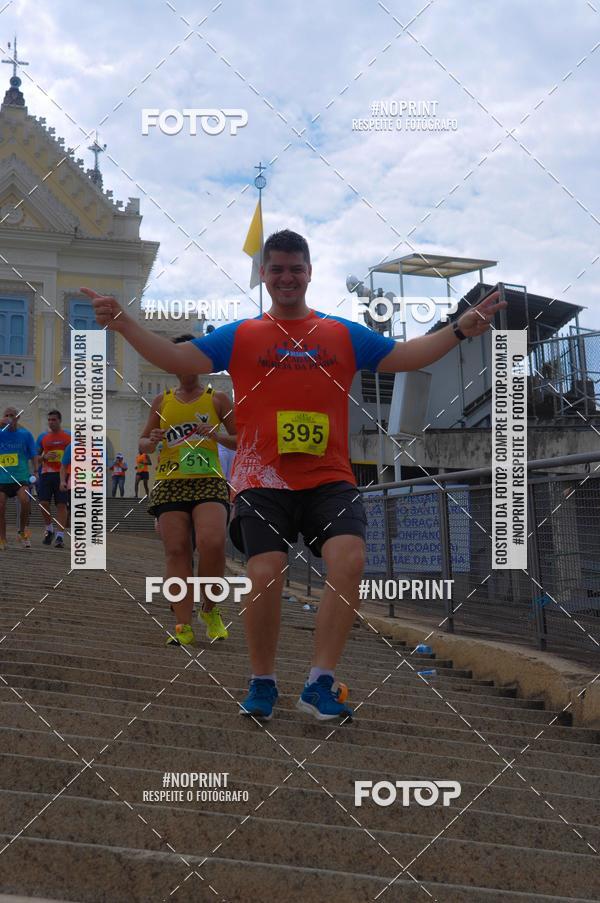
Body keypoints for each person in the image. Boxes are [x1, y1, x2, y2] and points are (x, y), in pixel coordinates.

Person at [82, 229, 505, 722]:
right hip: (264, 479)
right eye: (276, 268)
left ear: (309, 273)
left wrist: (458, 329)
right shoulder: (242, 335)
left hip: (330, 477)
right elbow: (178, 358)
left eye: (295, 268)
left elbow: (404, 356)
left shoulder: (340, 333)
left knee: (350, 560)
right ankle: (262, 681)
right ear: (264, 275)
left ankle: (318, 683)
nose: (286, 277)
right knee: (264, 572)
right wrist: (124, 323)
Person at [139, 334, 237, 645]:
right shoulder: (162, 400)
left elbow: (243, 438)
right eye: (178, 358)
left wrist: (217, 436)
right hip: (170, 482)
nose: (186, 364)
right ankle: (183, 625)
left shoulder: (218, 398)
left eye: (192, 357)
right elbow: (142, 444)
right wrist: (151, 440)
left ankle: (209, 607)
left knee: (212, 542)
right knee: (176, 551)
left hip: (207, 480)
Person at [0, 406, 38, 550]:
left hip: (20, 477)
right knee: (1, 507)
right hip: (2, 478)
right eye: (7, 415)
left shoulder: (25, 435)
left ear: (17, 418)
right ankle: (2, 538)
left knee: (25, 500)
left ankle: (22, 531)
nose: (9, 418)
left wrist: (35, 471)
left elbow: (34, 454)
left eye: (12, 415)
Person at [37, 410, 71, 549]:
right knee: (43, 502)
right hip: (46, 474)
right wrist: (44, 457)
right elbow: (35, 457)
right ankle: (49, 528)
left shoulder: (68, 437)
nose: (51, 422)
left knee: (61, 505)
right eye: (49, 420)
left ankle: (59, 536)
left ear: (60, 421)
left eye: (54, 420)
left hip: (62, 475)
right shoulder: (43, 437)